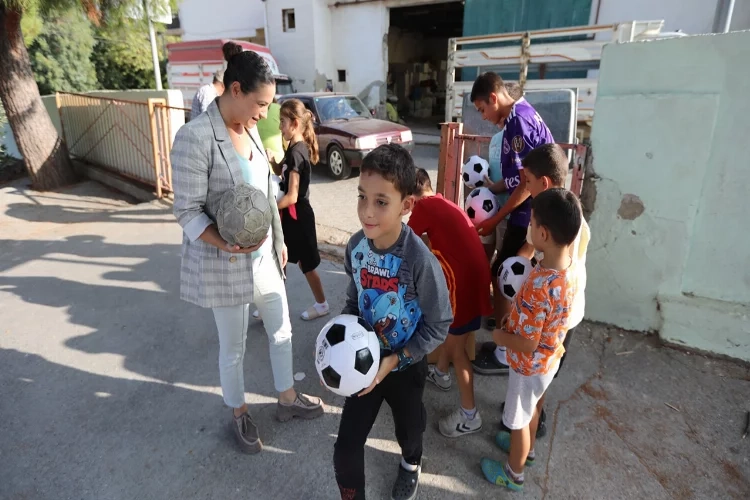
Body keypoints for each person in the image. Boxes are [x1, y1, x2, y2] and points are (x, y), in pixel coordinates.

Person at [171, 41, 323, 455]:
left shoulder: (252, 128)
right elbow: (185, 211)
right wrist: (224, 244)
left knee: (282, 330)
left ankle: (287, 398)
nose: (264, 113)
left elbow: (266, 189)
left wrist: (278, 238)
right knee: (233, 347)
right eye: (260, 103)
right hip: (227, 261)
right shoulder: (195, 137)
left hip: (265, 257)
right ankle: (238, 412)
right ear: (235, 89)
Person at [333, 144, 453, 500]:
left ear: (407, 205)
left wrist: (396, 360)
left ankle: (411, 464)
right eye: (361, 197)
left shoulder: (419, 260)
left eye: (381, 201)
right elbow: (355, 299)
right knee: (345, 448)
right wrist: (341, 340)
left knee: (409, 433)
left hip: (407, 364)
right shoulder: (355, 247)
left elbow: (439, 323)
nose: (367, 212)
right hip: (364, 365)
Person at [480, 188, 582, 491]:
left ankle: (514, 472)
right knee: (533, 408)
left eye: (532, 223)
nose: (528, 228)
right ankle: (528, 451)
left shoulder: (540, 284)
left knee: (519, 420)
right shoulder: (567, 270)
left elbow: (527, 343)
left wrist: (500, 335)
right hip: (549, 361)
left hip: (528, 365)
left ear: (544, 234)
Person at [496, 144, 591, 437]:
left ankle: (525, 426)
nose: (525, 186)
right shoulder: (572, 215)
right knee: (547, 366)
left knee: (537, 367)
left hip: (551, 309)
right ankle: (534, 412)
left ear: (544, 183)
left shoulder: (543, 220)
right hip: (568, 311)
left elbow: (533, 254)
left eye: (527, 180)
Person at [468, 71, 554, 375]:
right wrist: (494, 188)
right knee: (512, 276)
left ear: (493, 98)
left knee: (504, 275)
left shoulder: (518, 122)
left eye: (481, 109)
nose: (484, 117)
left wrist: (494, 219)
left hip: (529, 214)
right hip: (532, 213)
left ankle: (505, 353)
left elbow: (527, 184)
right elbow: (519, 177)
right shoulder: (520, 115)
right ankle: (510, 340)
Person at [407, 168, 492, 438]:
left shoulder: (425, 207)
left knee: (458, 349)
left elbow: (404, 242)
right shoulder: (443, 201)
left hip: (463, 284)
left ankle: (470, 415)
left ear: (411, 195)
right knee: (451, 332)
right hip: (475, 279)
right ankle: (441, 373)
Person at [269, 98, 329, 321]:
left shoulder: (297, 152)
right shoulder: (294, 147)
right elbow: (285, 174)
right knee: (278, 259)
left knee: (307, 264)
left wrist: (270, 208)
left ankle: (322, 305)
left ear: (295, 123)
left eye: (282, 122)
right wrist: (275, 163)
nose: (280, 127)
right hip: (291, 216)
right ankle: (273, 306)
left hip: (297, 217)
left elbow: (292, 195)